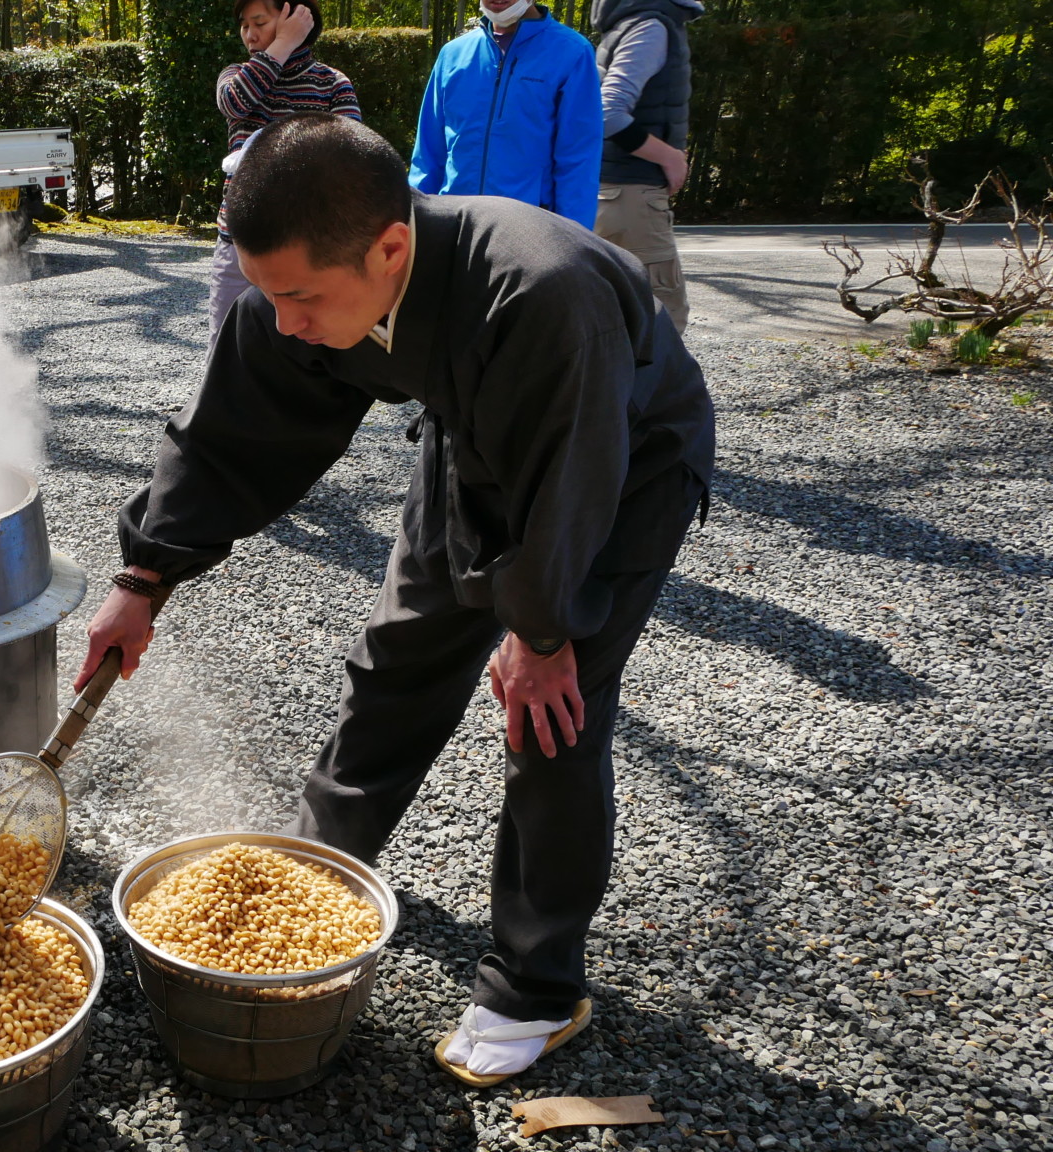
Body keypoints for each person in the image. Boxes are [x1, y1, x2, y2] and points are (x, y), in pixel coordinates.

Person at [76, 115, 713, 1085]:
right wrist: (141, 578)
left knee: (548, 714)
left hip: (617, 465)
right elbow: (230, 432)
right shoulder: (302, 283)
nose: (283, 321)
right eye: (266, 293)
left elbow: (572, 482)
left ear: (389, 247)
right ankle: (316, 872)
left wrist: (539, 633)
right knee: (397, 658)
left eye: (298, 299)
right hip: (469, 441)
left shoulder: (542, 293)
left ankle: (535, 989)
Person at [209, 0, 359, 335]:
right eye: (245, 25)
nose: (250, 34)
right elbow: (235, 102)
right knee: (227, 346)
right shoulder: (237, 76)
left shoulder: (332, 83)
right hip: (239, 242)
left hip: (308, 244)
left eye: (260, 22)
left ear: (297, 17)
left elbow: (348, 161)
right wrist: (283, 43)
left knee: (306, 349)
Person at [409, 0, 603, 228]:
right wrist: (414, 221)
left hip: (529, 229)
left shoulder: (572, 52)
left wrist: (575, 239)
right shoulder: (453, 54)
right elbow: (428, 153)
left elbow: (578, 159)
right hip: (455, 223)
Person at [592, 0, 701, 333]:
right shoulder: (650, 27)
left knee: (612, 326)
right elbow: (608, 113)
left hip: (609, 194)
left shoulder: (625, 25)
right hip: (631, 201)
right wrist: (669, 157)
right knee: (663, 323)